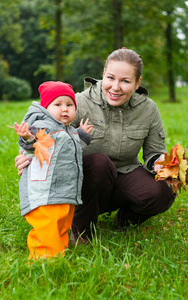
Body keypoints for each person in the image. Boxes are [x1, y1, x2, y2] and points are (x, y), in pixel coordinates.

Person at [15, 48, 176, 246]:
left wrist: (164, 165)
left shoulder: (148, 109)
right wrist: (28, 156)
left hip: (125, 174)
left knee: (163, 192)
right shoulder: (78, 102)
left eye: (125, 81)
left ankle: (126, 220)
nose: (115, 87)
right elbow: (47, 133)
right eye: (110, 78)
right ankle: (81, 230)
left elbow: (154, 152)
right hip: (85, 179)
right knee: (100, 162)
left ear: (137, 83)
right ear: (103, 75)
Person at [14, 81, 93, 259]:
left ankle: (59, 253)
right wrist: (27, 136)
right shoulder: (43, 126)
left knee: (63, 224)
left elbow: (71, 145)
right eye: (58, 104)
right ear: (46, 107)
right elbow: (34, 143)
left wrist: (82, 134)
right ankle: (44, 262)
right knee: (47, 225)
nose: (64, 109)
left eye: (69, 104)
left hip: (64, 190)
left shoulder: (68, 130)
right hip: (45, 191)